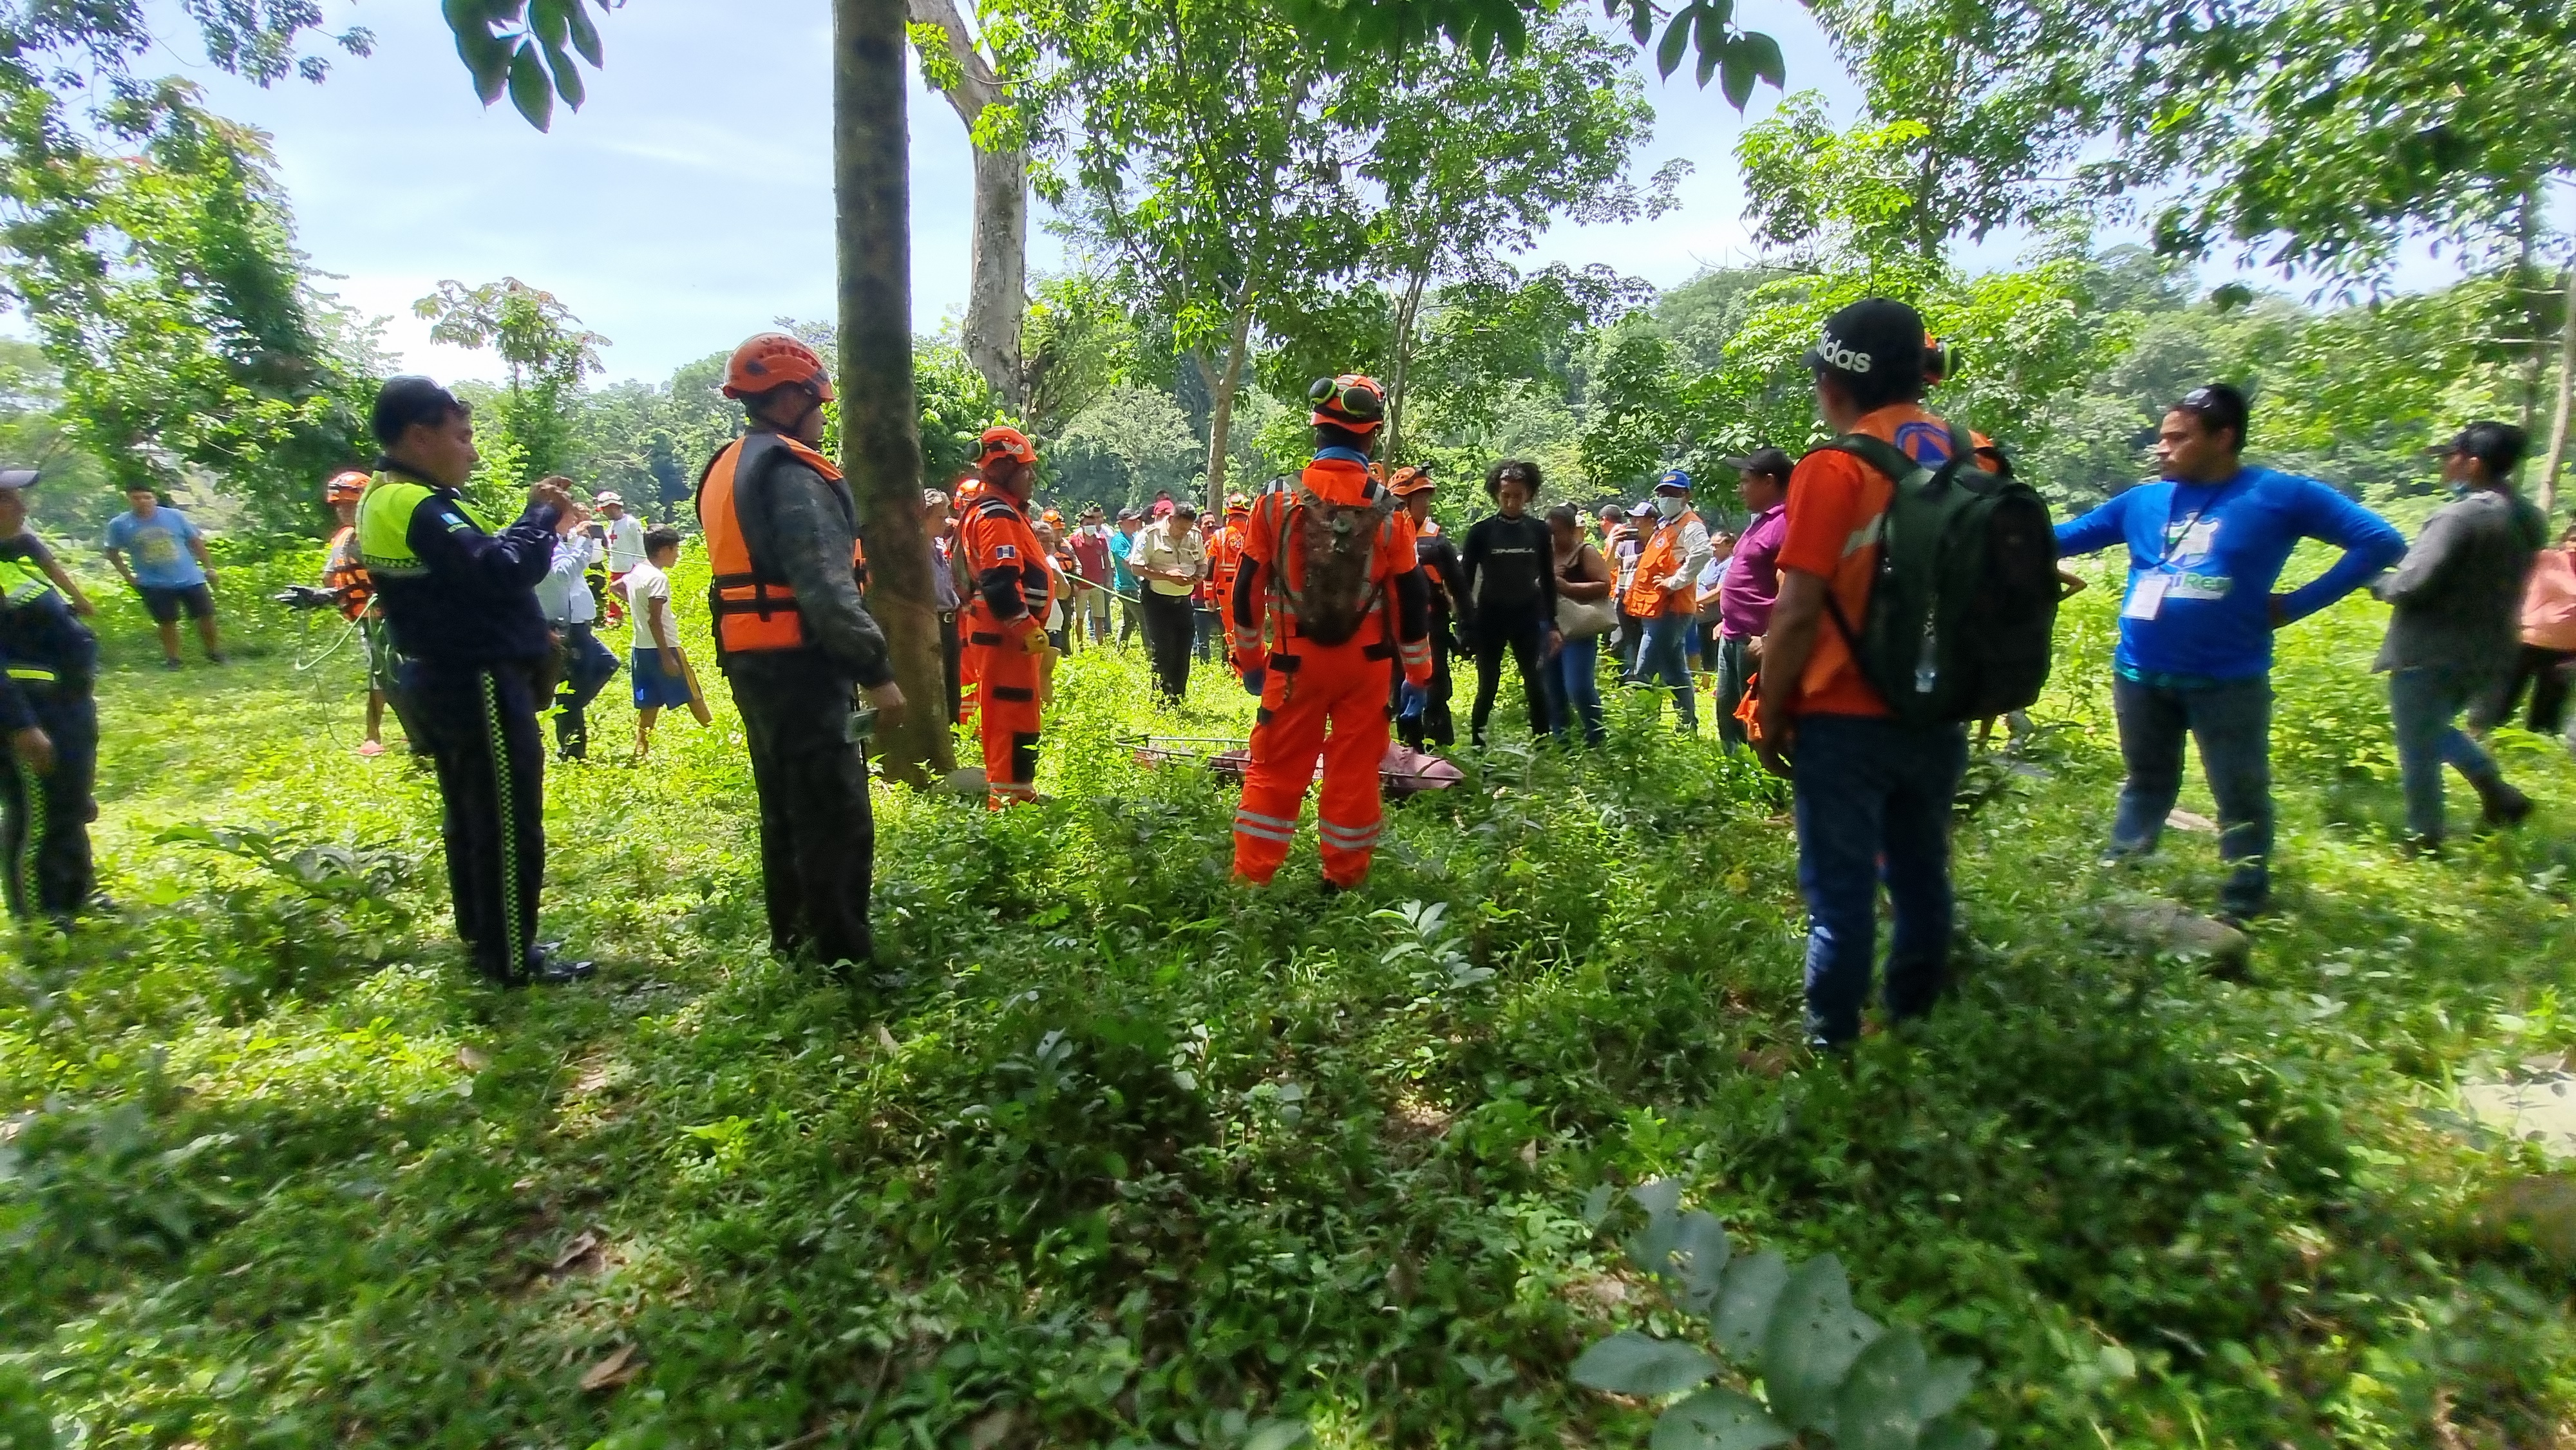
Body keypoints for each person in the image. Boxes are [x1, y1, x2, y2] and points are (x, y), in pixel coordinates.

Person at [2054, 380, 2405, 922]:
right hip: (2140, 671)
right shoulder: (2143, 501)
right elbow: (2063, 537)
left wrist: (2296, 605)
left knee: (2240, 792)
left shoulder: (2280, 495)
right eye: (2162, 438)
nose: (2162, 449)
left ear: (2225, 437)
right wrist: (1992, 515)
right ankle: (2118, 882)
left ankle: (2242, 899)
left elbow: (2380, 541)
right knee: (2146, 781)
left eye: (2178, 438)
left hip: (2228, 678)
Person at [1752, 299, 1971, 1046]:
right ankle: (1910, 1023)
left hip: (1844, 717)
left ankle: (1831, 1047)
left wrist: (1768, 711)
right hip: (1940, 704)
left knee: (1840, 899)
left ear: (1832, 380)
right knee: (1921, 876)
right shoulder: (1975, 454)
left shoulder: (1834, 467)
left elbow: (1797, 610)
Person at [356, 376, 591, 985]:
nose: (472, 451)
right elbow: (501, 569)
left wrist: (538, 525)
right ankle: (511, 955)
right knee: (505, 817)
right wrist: (540, 514)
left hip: (453, 675)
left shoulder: (399, 497)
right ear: (419, 435)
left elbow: (485, 573)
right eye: (462, 437)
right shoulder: (415, 504)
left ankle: (489, 936)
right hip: (476, 678)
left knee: (472, 813)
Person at [699, 333, 903, 975]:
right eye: (816, 401)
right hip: (802, 666)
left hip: (752, 661)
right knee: (834, 815)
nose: (821, 414)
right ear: (787, 398)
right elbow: (825, 584)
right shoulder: (792, 475)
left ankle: (794, 943)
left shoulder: (728, 465)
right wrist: (875, 672)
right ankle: (844, 959)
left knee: (784, 810)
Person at [1229, 374, 1433, 890]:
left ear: (1316, 429)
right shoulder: (1391, 511)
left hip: (1294, 662)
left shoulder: (1275, 501)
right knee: (1354, 773)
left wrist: (1251, 662)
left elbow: (1247, 587)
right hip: (1366, 666)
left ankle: (1252, 882)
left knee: (1274, 769)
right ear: (1372, 435)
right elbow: (1411, 596)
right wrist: (1418, 671)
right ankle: (1342, 880)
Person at [2373, 421, 2546, 848]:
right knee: (2432, 730)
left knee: (2418, 744)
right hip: (2491, 648)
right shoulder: (2528, 516)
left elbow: (2412, 583)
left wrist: (2377, 581)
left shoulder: (2458, 515)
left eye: (2450, 457)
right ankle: (2500, 797)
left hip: (2431, 648)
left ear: (2471, 463)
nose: (2444, 466)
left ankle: (2424, 837)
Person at [0, 469, 100, 926]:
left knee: (69, 805)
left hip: (65, 706)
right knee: (37, 818)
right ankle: (41, 917)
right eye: (10, 499)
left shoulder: (16, 558)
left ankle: (76, 894)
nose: (23, 507)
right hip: (30, 710)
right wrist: (20, 724)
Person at [955, 426, 1056, 807]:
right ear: (1001, 468)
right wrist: (1025, 626)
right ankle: (1008, 800)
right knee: (1010, 717)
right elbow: (999, 582)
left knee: (1018, 715)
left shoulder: (997, 510)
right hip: (1004, 635)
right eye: (1025, 468)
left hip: (1001, 633)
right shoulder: (996, 514)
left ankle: (1017, 792)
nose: (1032, 476)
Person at [1461, 459, 1560, 747]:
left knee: (1535, 684)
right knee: (1487, 686)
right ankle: (1478, 747)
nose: (1512, 502)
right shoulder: (1480, 532)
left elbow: (1548, 579)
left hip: (1527, 615)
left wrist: (1552, 623)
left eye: (1517, 496)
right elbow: (1464, 582)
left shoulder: (1539, 531)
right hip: (1490, 615)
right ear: (1496, 493)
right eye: (1506, 495)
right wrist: (1466, 626)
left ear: (1528, 494)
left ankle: (1541, 747)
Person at [322, 469, 407, 758]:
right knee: (380, 674)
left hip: (398, 618)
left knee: (402, 675)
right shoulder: (342, 539)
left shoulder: (381, 532)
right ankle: (374, 734)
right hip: (367, 620)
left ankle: (418, 731)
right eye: (339, 506)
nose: (344, 512)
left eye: (349, 505)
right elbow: (332, 577)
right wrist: (320, 597)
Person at [1714, 447, 1792, 752]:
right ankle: (1735, 775)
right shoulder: (1760, 521)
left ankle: (1762, 783)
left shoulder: (1786, 522)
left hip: (1756, 642)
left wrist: (1770, 637)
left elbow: (1788, 586)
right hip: (1733, 634)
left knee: (1755, 717)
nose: (1740, 488)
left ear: (1769, 481)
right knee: (1727, 709)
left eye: (1746, 481)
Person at [1622, 469, 1713, 731]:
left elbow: (1703, 553)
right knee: (1676, 673)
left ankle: (1641, 730)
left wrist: (1675, 581)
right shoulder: (1667, 524)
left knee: (1644, 672)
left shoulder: (1690, 524)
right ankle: (1687, 726)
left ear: (1686, 496)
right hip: (1658, 609)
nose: (1666, 498)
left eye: (1673, 493)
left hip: (1670, 610)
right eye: (1662, 493)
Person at [1390, 466, 1470, 750]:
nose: (1426, 504)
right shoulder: (1384, 537)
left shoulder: (1436, 542)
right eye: (1419, 498)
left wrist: (1466, 629)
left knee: (1436, 689)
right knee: (1399, 691)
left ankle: (1442, 750)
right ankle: (1408, 750)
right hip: (1395, 630)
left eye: (1426, 498)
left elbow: (1460, 588)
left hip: (1432, 627)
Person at [536, 492, 619, 762]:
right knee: (574, 684)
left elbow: (589, 560)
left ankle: (566, 714)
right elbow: (562, 575)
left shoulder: (560, 542)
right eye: (572, 514)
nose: (577, 519)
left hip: (579, 625)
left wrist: (581, 541)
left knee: (605, 664)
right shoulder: (547, 543)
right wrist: (583, 539)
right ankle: (571, 747)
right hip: (566, 626)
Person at [103, 484, 222, 669]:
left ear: (154, 499)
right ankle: (173, 659)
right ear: (128, 500)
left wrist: (209, 568)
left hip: (190, 577)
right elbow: (112, 552)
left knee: (206, 616)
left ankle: (214, 653)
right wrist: (128, 577)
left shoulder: (174, 516)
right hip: (154, 582)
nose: (143, 501)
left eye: (147, 497)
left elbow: (196, 542)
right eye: (137, 498)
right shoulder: (119, 525)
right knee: (167, 622)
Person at [2478, 518, 2576, 738]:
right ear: (2564, 540)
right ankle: (2482, 738)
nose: (2575, 546)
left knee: (2547, 713)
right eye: (2572, 540)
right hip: (2525, 641)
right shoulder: (2545, 559)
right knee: (2501, 699)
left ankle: (2533, 753)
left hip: (2566, 654)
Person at [1548, 504, 1614, 746]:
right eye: (1549, 532)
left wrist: (1568, 587)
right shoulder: (1543, 554)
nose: (1554, 538)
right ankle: (1561, 740)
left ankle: (1596, 736)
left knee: (1578, 686)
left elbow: (1604, 585)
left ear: (1572, 530)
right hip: (1547, 627)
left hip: (1578, 629)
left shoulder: (1585, 552)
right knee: (1551, 687)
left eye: (1558, 532)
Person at [624, 528, 692, 759]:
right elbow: (655, 620)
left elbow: (616, 587)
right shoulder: (658, 578)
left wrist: (637, 607)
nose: (677, 555)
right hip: (665, 647)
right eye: (676, 550)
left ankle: (640, 751)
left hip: (640, 649)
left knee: (649, 703)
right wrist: (666, 656)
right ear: (664, 550)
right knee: (694, 695)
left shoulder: (637, 572)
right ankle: (722, 740)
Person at [1133, 498, 1207, 706]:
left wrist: (1200, 574)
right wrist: (1167, 575)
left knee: (1184, 649)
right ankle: (1161, 700)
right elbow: (1137, 568)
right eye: (1180, 528)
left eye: (1188, 528)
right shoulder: (1149, 535)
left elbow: (1202, 562)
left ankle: (1178, 699)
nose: (1184, 533)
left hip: (1184, 600)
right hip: (1157, 601)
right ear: (1171, 519)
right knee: (1164, 650)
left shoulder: (1195, 535)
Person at [925, 489, 963, 724]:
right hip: (933, 621)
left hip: (951, 620)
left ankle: (956, 731)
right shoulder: (915, 551)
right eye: (940, 517)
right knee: (936, 681)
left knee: (953, 680)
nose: (946, 521)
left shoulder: (939, 545)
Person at [1209, 494, 1255, 675]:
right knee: (1252, 630)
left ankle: (1240, 673)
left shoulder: (1219, 536)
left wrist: (1209, 596)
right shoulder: (1254, 533)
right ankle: (1255, 671)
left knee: (1232, 634)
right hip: (1253, 589)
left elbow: (1211, 567)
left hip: (1227, 591)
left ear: (1228, 513)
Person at [1601, 504, 1643, 673]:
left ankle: (1636, 680)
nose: (1634, 524)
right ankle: (1619, 679)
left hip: (1642, 598)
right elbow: (1608, 567)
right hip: (1621, 596)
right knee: (1617, 640)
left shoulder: (1653, 543)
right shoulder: (1622, 542)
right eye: (1632, 519)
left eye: (1638, 520)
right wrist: (1615, 543)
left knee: (1637, 642)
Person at [1068, 504, 1114, 647]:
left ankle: (1100, 645)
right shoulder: (1073, 540)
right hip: (1082, 586)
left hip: (1098, 584)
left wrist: (1108, 580)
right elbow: (1071, 562)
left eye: (1093, 524)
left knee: (1099, 617)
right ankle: (1081, 646)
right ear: (1082, 525)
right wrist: (1074, 582)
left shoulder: (1101, 540)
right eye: (1088, 524)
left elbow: (1107, 562)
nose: (1091, 527)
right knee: (1080, 618)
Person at [598, 491, 646, 626]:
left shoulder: (631, 523)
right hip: (615, 567)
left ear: (612, 507)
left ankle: (635, 616)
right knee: (613, 596)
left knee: (630, 594)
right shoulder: (612, 525)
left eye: (605, 510)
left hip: (630, 568)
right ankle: (616, 620)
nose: (603, 513)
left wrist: (637, 567)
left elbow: (641, 546)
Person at [1112, 508, 1146, 646]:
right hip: (1127, 587)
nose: (1135, 523)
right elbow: (1127, 562)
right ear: (1121, 523)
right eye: (1131, 521)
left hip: (1135, 585)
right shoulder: (1119, 541)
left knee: (1129, 621)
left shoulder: (1133, 538)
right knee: (1144, 620)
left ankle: (1120, 649)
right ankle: (1151, 652)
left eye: (1135, 520)